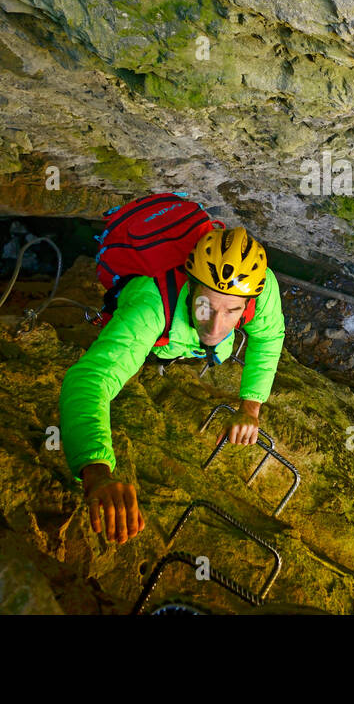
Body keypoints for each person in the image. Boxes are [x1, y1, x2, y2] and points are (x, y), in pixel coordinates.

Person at [59, 226, 285, 544]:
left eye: (232, 311)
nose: (217, 326)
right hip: (158, 327)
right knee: (167, 347)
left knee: (212, 344)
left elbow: (269, 335)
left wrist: (250, 406)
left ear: (247, 302)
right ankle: (163, 351)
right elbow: (90, 378)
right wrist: (96, 472)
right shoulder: (150, 306)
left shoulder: (260, 287)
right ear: (190, 287)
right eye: (206, 306)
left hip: (180, 332)